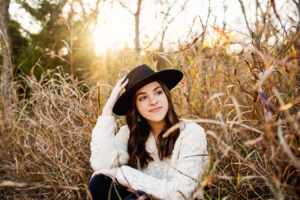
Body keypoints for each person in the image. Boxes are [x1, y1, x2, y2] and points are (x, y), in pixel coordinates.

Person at [87, 64, 208, 200]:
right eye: (143, 98)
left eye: (158, 92)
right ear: (135, 106)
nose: (153, 101)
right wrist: (108, 109)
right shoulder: (130, 133)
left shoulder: (191, 133)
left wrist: (123, 173)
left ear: (166, 94)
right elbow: (101, 165)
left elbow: (181, 193)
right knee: (100, 182)